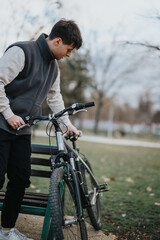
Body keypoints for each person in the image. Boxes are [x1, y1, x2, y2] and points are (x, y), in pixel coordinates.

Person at [0, 19, 82, 240]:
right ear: (57, 41)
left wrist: (68, 124)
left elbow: (55, 99)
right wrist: (8, 114)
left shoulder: (53, 67)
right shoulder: (21, 51)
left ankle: (6, 232)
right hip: (1, 126)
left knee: (20, 179)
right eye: (68, 49)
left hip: (22, 131)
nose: (68, 55)